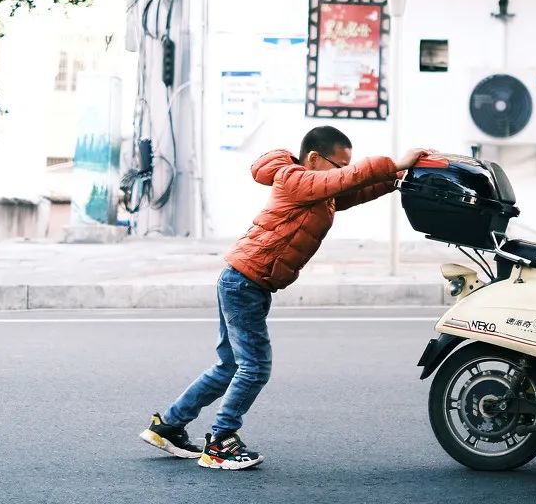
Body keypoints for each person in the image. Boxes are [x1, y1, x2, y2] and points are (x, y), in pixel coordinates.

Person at [140, 126, 433, 470]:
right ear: (313, 158)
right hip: (243, 282)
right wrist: (393, 162)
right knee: (254, 367)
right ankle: (220, 441)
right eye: (338, 165)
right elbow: (347, 179)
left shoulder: (319, 192)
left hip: (246, 281)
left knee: (230, 366)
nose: (342, 172)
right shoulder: (293, 179)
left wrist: (396, 178)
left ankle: (169, 427)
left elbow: (352, 187)